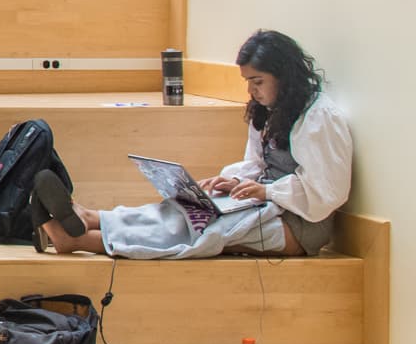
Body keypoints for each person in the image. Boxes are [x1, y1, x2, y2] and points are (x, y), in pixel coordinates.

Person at [33, 29, 352, 260]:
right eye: (248, 83)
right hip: (269, 204)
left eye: (258, 82)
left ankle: (78, 241)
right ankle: (92, 218)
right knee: (189, 209)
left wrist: (267, 192)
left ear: (284, 76)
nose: (252, 91)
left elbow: (327, 192)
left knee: (202, 231)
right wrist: (233, 181)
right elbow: (257, 164)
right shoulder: (270, 110)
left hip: (299, 225)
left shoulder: (319, 118)